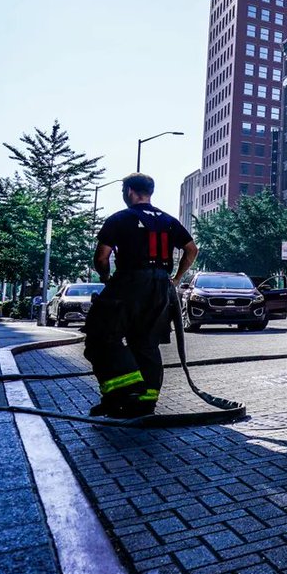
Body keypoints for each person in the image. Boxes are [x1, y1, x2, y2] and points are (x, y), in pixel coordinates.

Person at [84, 173, 198, 418]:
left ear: (128, 191)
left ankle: (123, 393)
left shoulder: (120, 219)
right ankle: (146, 402)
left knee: (99, 337)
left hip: (130, 281)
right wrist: (176, 278)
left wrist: (106, 279)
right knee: (146, 343)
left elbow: (102, 257)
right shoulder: (168, 221)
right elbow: (191, 249)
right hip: (160, 286)